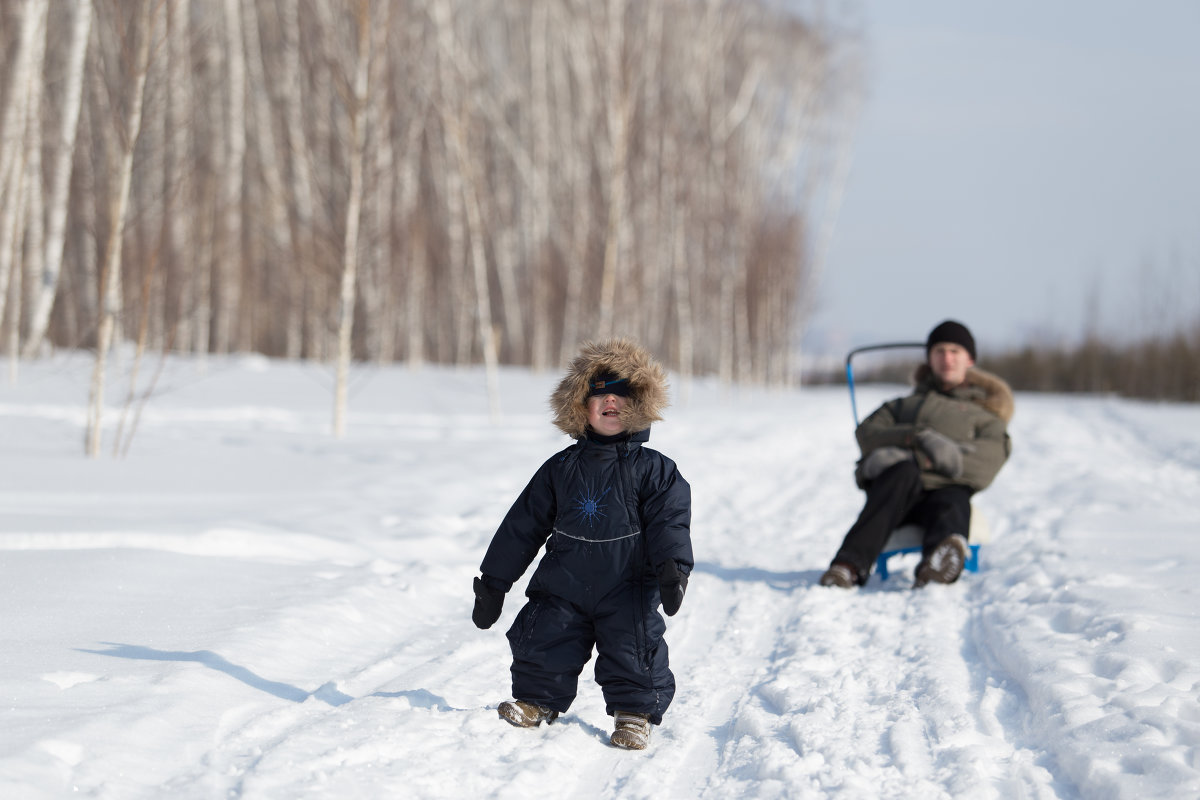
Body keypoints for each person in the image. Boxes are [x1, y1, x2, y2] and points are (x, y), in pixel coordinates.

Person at [471, 338, 693, 750]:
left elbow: (670, 523)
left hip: (627, 584)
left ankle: (633, 713)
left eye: (623, 396)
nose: (612, 403)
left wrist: (673, 568)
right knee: (545, 638)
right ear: (580, 406)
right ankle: (537, 700)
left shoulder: (655, 470)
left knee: (634, 645)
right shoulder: (560, 468)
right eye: (600, 396)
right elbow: (523, 524)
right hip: (564, 580)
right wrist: (494, 581)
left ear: (640, 405)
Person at [820, 320, 1014, 589]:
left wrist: (922, 459)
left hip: (944, 493)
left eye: (954, 351)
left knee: (953, 496)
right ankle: (847, 566)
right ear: (929, 358)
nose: (947, 358)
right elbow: (867, 433)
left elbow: (986, 464)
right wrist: (915, 436)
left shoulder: (984, 416)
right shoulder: (902, 406)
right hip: (897, 497)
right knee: (901, 473)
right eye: (939, 351)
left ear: (969, 359)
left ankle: (940, 562)